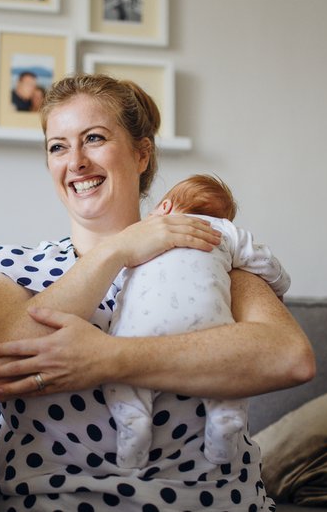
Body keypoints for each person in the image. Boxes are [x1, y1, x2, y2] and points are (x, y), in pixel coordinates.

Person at [0, 73, 315, 510]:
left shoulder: (202, 247)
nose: (75, 161)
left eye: (93, 138)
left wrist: (107, 359)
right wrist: (117, 249)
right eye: (57, 146)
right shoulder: (7, 266)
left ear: (141, 153)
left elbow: (289, 356)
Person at [106, 173, 290, 469]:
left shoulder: (141, 234)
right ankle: (225, 419)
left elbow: (113, 277)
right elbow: (265, 261)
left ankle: (134, 425)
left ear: (164, 208)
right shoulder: (225, 232)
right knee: (227, 367)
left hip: (140, 329)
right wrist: (279, 288)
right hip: (207, 326)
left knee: (119, 375)